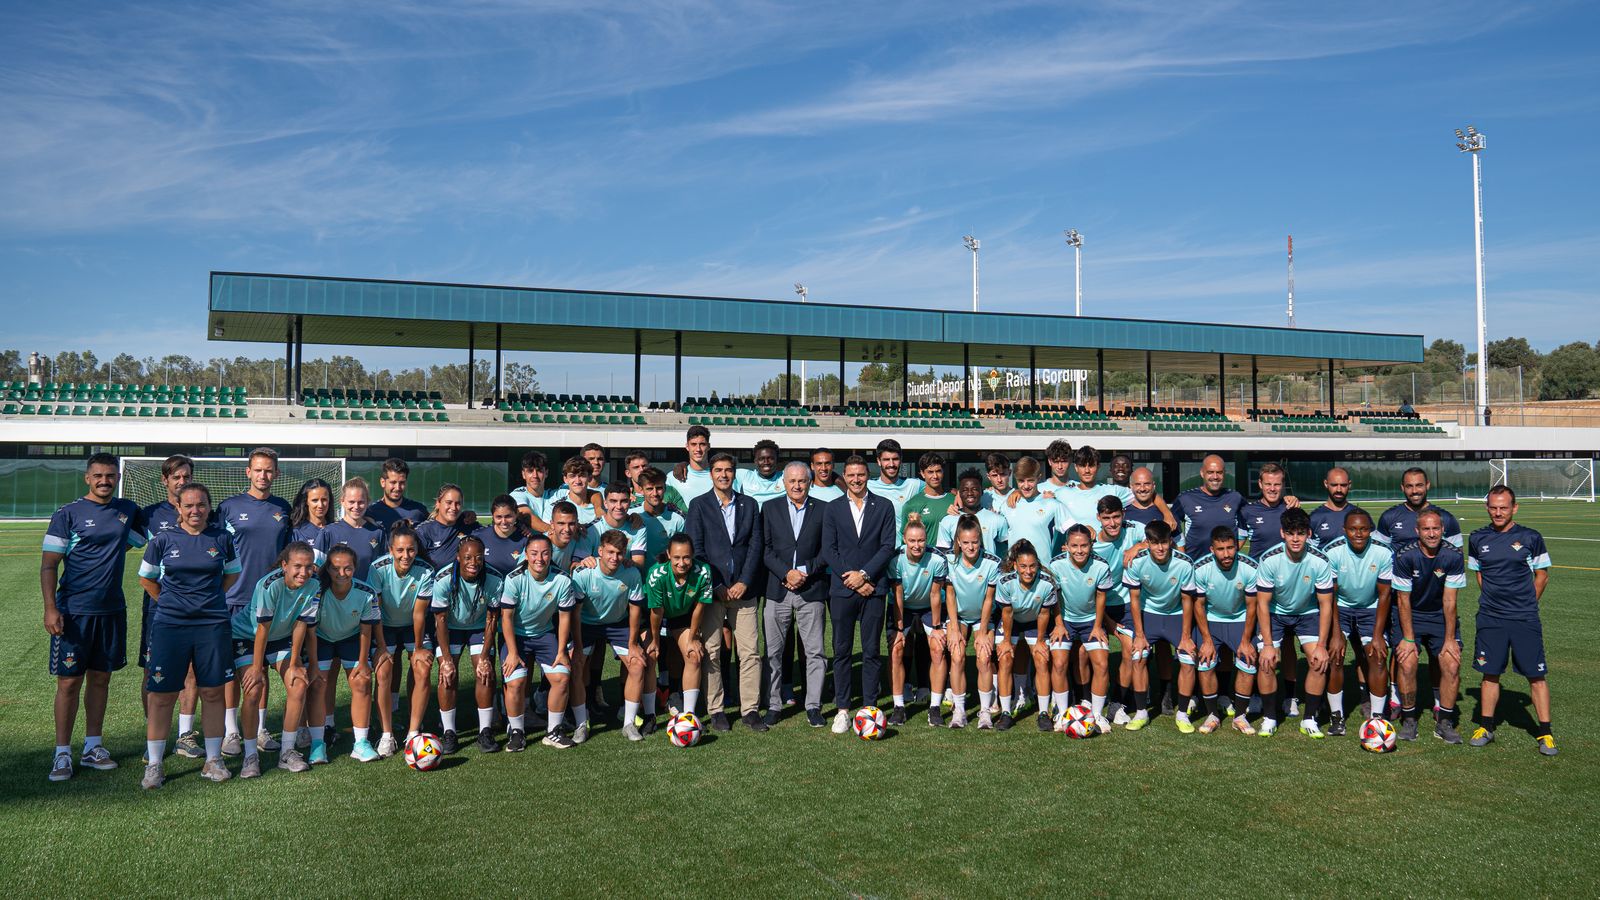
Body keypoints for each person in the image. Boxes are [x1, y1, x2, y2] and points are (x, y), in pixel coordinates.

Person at [41, 452, 148, 782]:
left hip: (111, 611)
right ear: (88, 478)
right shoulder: (68, 514)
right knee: (69, 682)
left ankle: (92, 747)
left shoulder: (127, 511)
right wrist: (50, 607)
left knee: (101, 679)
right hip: (73, 612)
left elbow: (135, 539)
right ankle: (62, 753)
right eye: (98, 475)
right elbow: (48, 565)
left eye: (110, 476)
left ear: (118, 477)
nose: (105, 481)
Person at [136, 482, 241, 789]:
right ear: (179, 509)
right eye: (189, 506)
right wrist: (172, 603)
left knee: (212, 692)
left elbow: (232, 574)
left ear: (209, 507)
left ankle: (213, 761)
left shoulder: (222, 538)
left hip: (212, 625)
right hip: (171, 626)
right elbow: (146, 578)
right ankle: (155, 765)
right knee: (162, 695)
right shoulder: (163, 540)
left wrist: (208, 601)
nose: (195, 510)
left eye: (201, 505)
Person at [1466, 486, 1555, 755]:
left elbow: (1542, 575)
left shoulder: (1530, 537)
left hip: (1524, 618)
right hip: (1491, 617)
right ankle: (1486, 727)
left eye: (1504, 507)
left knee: (1536, 675)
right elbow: (1480, 574)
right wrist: (1496, 602)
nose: (1498, 512)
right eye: (1493, 507)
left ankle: (1545, 733)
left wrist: (1527, 603)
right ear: (1487, 508)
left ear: (1514, 508)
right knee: (1490, 673)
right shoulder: (1477, 538)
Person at [216, 448, 292, 758]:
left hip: (270, 599)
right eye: (258, 470)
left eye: (269, 470)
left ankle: (260, 729)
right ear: (248, 472)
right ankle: (231, 730)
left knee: (259, 666)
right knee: (234, 670)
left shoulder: (282, 508)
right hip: (235, 599)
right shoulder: (228, 507)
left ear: (276, 473)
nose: (264, 475)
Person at [686, 452, 764, 732]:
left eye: (728, 470)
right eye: (718, 470)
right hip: (713, 592)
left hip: (745, 591)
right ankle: (716, 709)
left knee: (750, 653)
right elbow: (696, 549)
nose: (723, 475)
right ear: (711, 474)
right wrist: (716, 585)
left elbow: (756, 546)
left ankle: (750, 709)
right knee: (713, 650)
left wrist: (743, 580)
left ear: (734, 473)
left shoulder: (750, 505)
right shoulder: (699, 505)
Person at [821, 454, 897, 733]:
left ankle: (869, 706)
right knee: (841, 651)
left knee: (872, 651)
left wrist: (864, 575)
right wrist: (852, 579)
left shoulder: (884, 506)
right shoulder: (833, 508)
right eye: (851, 475)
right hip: (843, 590)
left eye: (861, 475)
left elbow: (887, 546)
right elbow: (829, 550)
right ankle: (843, 709)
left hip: (873, 589)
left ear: (868, 475)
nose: (856, 480)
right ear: (845, 476)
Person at [231, 541, 320, 776]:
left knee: (298, 683)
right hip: (248, 637)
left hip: (280, 638)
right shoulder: (269, 584)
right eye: (298, 566)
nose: (304, 572)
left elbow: (302, 624)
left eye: (309, 566)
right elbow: (262, 629)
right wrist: (257, 668)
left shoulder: (314, 585)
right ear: (284, 565)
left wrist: (294, 664)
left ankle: (287, 752)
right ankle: (250, 756)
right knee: (253, 688)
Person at [139, 455, 206, 758]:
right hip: (159, 607)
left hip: (196, 607)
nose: (182, 482)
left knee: (191, 670)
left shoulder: (203, 513)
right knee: (153, 670)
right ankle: (154, 734)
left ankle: (185, 735)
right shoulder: (149, 516)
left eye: (186, 476)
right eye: (176, 477)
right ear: (164, 480)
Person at [1252, 507, 1336, 738]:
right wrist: (1268, 644)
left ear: (1308, 533)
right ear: (1282, 533)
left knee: (1318, 661)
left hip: (1307, 613)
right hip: (1276, 613)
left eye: (1300, 533)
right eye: (1291, 533)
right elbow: (1262, 604)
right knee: (1267, 661)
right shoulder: (1269, 559)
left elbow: (1326, 604)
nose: (1296, 538)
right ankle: (1269, 717)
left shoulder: (1320, 560)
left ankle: (1308, 719)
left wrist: (1321, 645)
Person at [421, 535, 504, 754]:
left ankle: (485, 731)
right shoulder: (444, 579)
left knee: (485, 672)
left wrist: (485, 656)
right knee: (447, 674)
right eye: (467, 557)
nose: (473, 562)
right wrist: (446, 660)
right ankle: (449, 732)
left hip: (478, 627)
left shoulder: (494, 579)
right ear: (458, 558)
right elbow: (440, 621)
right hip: (451, 629)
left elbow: (492, 619)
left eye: (478, 557)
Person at [761, 462, 829, 728]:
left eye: (802, 481)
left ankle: (813, 705)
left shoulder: (823, 510)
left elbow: (827, 550)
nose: (797, 486)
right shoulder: (769, 508)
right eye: (792, 481)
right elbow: (765, 550)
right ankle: (774, 704)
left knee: (815, 652)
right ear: (784, 483)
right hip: (778, 590)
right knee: (773, 652)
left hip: (810, 590)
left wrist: (803, 571)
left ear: (809, 482)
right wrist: (786, 573)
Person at [1389, 509, 1466, 743]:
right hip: (1409, 614)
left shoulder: (1453, 556)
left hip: (1439, 616)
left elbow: (1450, 601)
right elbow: (1402, 600)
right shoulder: (1404, 556)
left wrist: (1450, 639)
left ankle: (1444, 721)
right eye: (1426, 529)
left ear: (1443, 530)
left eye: (1435, 529)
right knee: (1408, 660)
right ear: (1417, 531)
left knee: (1451, 663)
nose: (1431, 534)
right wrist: (1409, 639)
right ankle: (1410, 718)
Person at [498, 532, 580, 750]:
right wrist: (513, 653)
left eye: (545, 553)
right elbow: (505, 617)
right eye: (534, 553)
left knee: (562, 677)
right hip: (516, 636)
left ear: (551, 554)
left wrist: (562, 650)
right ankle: (516, 731)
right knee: (515, 681)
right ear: (526, 555)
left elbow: (564, 617)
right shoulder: (514, 579)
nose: (539, 559)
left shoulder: (562, 579)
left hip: (545, 635)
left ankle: (554, 731)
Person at [1321, 509, 1392, 737]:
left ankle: (1377, 719)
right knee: (1335, 656)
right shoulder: (1332, 552)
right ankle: (1337, 717)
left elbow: (1384, 595)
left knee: (1378, 657)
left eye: (1363, 529)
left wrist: (1379, 635)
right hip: (1339, 608)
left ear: (1370, 530)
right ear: (1344, 531)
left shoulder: (1383, 553)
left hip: (1370, 608)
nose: (1358, 534)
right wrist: (1335, 633)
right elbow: (1329, 595)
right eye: (1353, 529)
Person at [307, 545, 382, 763]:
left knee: (362, 681)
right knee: (318, 684)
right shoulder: (316, 591)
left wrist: (362, 663)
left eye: (348, 569)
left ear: (355, 568)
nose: (341, 574)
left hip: (351, 638)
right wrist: (312, 663)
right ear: (327, 569)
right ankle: (318, 744)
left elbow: (366, 630)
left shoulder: (366, 592)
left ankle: (361, 743)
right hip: (321, 638)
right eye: (336, 568)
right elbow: (310, 632)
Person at [366, 522, 434, 758]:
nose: (406, 556)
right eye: (401, 550)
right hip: (385, 626)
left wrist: (417, 649)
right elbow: (376, 610)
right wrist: (382, 647)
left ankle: (413, 732)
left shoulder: (425, 571)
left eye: (411, 550)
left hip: (411, 627)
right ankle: (386, 734)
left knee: (422, 667)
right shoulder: (377, 568)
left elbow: (419, 613)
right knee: (383, 670)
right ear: (391, 550)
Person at [1123, 521, 1199, 733]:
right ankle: (1141, 713)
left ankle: (1182, 714)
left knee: (1188, 658)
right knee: (1138, 656)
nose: (1160, 548)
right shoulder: (1136, 562)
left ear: (1170, 541)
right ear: (1146, 543)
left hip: (1176, 615)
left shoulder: (1184, 563)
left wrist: (1185, 636)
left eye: (1164, 543)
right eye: (1155, 543)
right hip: (1149, 615)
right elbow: (1135, 600)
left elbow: (1187, 601)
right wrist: (1139, 634)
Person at [571, 530, 646, 741]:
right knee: (576, 665)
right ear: (600, 551)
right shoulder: (584, 572)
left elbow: (634, 610)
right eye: (610, 552)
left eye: (620, 553)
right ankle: (581, 722)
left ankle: (629, 723)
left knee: (637, 663)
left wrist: (633, 643)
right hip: (586, 624)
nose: (615, 558)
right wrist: (577, 645)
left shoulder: (631, 573)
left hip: (617, 624)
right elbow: (575, 613)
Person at [1189, 528, 1262, 735]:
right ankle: (1212, 715)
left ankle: (1239, 717)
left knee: (1248, 662)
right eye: (1221, 549)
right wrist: (1207, 639)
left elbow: (1252, 607)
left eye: (1230, 548)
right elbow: (1199, 606)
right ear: (1212, 549)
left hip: (1239, 619)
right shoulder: (1201, 568)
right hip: (1211, 620)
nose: (1227, 554)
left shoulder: (1249, 567)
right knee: (1204, 663)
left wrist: (1247, 640)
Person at [1047, 524, 1116, 732]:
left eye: (1084, 546)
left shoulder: (1101, 566)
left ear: (1091, 546)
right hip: (1065, 620)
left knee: (1102, 664)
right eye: (1074, 546)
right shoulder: (1056, 565)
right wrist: (1058, 624)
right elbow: (1055, 597)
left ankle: (1096, 715)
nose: (1079, 550)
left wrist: (1097, 626)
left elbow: (1101, 597)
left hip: (1090, 622)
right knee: (1059, 663)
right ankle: (1061, 712)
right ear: (1066, 546)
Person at [936, 514, 1001, 729]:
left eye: (974, 542)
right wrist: (953, 628)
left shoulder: (992, 563)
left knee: (983, 657)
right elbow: (951, 596)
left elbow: (989, 599)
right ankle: (960, 710)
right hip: (959, 616)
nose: (971, 547)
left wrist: (983, 631)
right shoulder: (950, 560)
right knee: (956, 655)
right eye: (965, 543)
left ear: (980, 540)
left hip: (983, 617)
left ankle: (984, 712)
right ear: (957, 541)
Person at [1091, 496, 1146, 726]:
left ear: (1123, 515)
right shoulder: (1091, 543)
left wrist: (1140, 545)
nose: (1112, 523)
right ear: (1098, 518)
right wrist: (1109, 624)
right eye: (1107, 518)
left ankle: (1118, 703)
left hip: (1125, 604)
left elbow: (1164, 540)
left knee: (1130, 650)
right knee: (1088, 653)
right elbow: (1090, 590)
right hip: (1096, 607)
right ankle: (1083, 700)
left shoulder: (1135, 530)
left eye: (1116, 517)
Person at [645, 533, 714, 718]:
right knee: (651, 655)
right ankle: (649, 714)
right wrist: (655, 639)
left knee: (693, 655)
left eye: (686, 557)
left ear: (692, 555)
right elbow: (656, 612)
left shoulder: (704, 571)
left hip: (682, 617)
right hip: (655, 618)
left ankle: (689, 715)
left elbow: (699, 609)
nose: (681, 563)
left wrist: (692, 639)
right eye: (676, 557)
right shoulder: (656, 574)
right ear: (668, 554)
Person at [992, 540, 1058, 731]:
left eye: (1032, 566)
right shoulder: (1005, 582)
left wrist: (1039, 642)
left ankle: (1044, 713)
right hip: (1011, 622)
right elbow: (1007, 613)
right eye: (1023, 566)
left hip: (1034, 621)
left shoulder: (1047, 583)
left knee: (1041, 658)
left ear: (1037, 565)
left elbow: (1045, 613)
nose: (1028, 571)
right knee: (1004, 659)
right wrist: (1006, 642)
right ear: (1015, 566)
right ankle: (1005, 713)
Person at [888, 519, 949, 726]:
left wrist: (938, 628)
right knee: (897, 648)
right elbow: (897, 595)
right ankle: (898, 707)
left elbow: (935, 594)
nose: (917, 545)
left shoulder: (937, 559)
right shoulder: (895, 559)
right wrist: (898, 628)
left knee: (938, 648)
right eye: (912, 540)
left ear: (926, 540)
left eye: (921, 540)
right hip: (903, 607)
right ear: (904, 540)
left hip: (927, 607)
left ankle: (935, 707)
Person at [1172, 454, 1243, 559]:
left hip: (1226, 567)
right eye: (1210, 472)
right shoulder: (1185, 498)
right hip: (1195, 565)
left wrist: (1233, 551)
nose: (1215, 477)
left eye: (1219, 472)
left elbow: (1246, 524)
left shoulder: (1235, 497)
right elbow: (1172, 523)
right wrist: (1183, 555)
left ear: (1224, 473)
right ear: (1202, 473)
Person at [999, 456, 1070, 561]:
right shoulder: (1007, 505)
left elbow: (1074, 531)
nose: (1026, 485)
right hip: (1014, 572)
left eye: (1030, 480)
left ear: (1039, 478)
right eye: (1021, 481)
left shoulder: (1053, 505)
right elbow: (1000, 540)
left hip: (1044, 571)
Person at [315, 477, 386, 579]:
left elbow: (383, 572)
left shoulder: (377, 533)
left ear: (368, 502)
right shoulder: (328, 532)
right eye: (351, 502)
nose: (356, 506)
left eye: (361, 502)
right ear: (342, 501)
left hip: (367, 594)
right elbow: (315, 568)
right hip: (335, 594)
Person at [1376, 467, 1464, 549]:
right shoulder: (1388, 517)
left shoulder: (1446, 518)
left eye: (1419, 485)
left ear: (1427, 485)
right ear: (1402, 488)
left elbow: (1457, 555)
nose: (1414, 491)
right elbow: (1379, 553)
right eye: (1409, 486)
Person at [1052, 446, 1134, 527]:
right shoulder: (1061, 494)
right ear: (1076, 467)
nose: (1087, 470)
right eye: (1083, 466)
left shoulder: (1113, 491)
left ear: (1098, 467)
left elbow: (1143, 493)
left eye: (1091, 466)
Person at [936, 469, 1009, 557]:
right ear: (959, 493)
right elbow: (942, 555)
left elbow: (1006, 550)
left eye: (974, 489)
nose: (970, 493)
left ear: (981, 491)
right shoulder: (947, 521)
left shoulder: (997, 519)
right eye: (965, 490)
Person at [865, 439, 925, 542]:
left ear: (901, 460)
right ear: (879, 461)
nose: (891, 464)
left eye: (895, 459)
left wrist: (957, 494)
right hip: (877, 550)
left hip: (905, 551)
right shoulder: (867, 486)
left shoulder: (914, 485)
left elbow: (937, 491)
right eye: (886, 459)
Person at [415, 483, 477, 571]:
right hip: (433, 583)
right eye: (449, 502)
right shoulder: (423, 531)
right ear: (438, 503)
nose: (454, 507)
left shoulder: (467, 524)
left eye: (458, 503)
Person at [632, 466, 686, 563]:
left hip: (664, 576)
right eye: (649, 489)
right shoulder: (630, 514)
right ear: (641, 490)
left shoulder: (678, 519)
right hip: (634, 576)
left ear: (665, 488)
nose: (655, 493)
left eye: (659, 488)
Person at [1238, 463, 1295, 557]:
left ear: (1283, 485)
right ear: (1260, 484)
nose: (1272, 489)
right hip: (1258, 569)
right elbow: (1236, 544)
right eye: (1268, 484)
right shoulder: (1247, 512)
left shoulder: (1291, 508)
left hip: (1286, 570)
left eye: (1277, 484)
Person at [591, 483, 649, 571]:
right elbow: (576, 564)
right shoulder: (592, 529)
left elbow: (639, 562)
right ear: (605, 503)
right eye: (613, 501)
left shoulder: (638, 528)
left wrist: (631, 563)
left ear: (629, 502)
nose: (618, 506)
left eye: (624, 501)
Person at [899, 451, 956, 537]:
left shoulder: (955, 499)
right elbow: (906, 539)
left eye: (938, 471)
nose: (935, 476)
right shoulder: (912, 505)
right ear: (922, 473)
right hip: (925, 551)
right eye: (930, 472)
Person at [367, 458, 429, 534]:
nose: (397, 488)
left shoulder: (419, 511)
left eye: (402, 483)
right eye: (393, 482)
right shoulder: (371, 512)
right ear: (383, 482)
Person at [480, 494, 532, 576]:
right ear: (493, 516)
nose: (503, 521)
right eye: (499, 517)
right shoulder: (479, 536)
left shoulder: (526, 540)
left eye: (508, 516)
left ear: (516, 514)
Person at [666, 425, 714, 505]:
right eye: (693, 444)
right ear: (687, 446)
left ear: (708, 446)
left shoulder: (720, 476)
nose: (698, 449)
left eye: (702, 444)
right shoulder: (672, 478)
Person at [1308, 467, 1356, 548]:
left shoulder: (1360, 516)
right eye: (1334, 485)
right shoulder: (1314, 518)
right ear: (1326, 484)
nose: (1339, 490)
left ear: (1349, 484)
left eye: (1343, 485)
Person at [547, 500, 598, 572]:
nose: (567, 529)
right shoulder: (542, 547)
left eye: (571, 524)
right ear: (552, 524)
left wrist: (581, 564)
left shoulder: (578, 535)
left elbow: (572, 567)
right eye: (561, 523)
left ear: (577, 523)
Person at [511, 450, 554, 532]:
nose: (535, 475)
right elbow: (528, 517)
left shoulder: (555, 494)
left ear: (546, 473)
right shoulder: (517, 494)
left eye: (539, 471)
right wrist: (558, 532)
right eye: (530, 471)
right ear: (523, 474)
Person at [552, 455, 602, 526]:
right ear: (565, 479)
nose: (577, 481)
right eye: (572, 476)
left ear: (590, 478)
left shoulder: (601, 507)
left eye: (582, 475)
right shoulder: (554, 508)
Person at [736, 439, 785, 505]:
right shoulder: (743, 476)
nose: (766, 462)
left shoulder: (785, 477)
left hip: (777, 514)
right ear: (755, 461)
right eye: (761, 459)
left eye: (770, 458)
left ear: (777, 460)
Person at [289, 478, 333, 546]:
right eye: (315, 500)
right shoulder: (297, 532)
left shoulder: (336, 530)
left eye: (324, 500)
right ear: (306, 501)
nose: (320, 505)